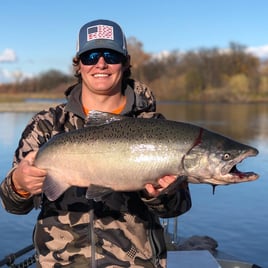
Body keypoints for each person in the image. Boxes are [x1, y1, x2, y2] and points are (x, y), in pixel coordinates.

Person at [0, 19, 191, 268]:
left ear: (125, 62)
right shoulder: (47, 124)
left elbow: (178, 206)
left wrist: (159, 195)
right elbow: (12, 204)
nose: (101, 63)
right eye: (90, 56)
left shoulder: (153, 125)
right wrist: (20, 184)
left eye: (110, 55)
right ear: (78, 65)